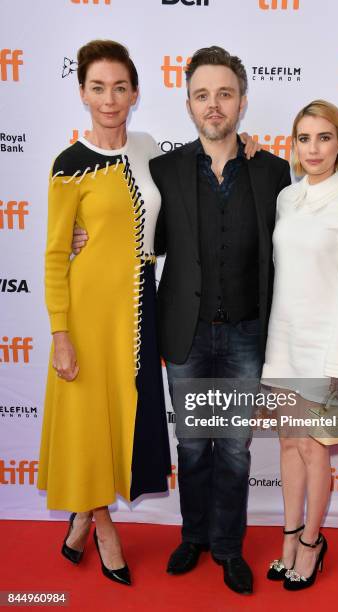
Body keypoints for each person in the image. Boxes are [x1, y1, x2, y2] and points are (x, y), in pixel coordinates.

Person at [70, 45, 267, 594]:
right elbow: (137, 229)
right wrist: (82, 236)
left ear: (241, 103)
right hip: (184, 330)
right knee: (192, 445)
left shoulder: (270, 171)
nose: (214, 105)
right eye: (202, 95)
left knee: (234, 446)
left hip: (248, 333)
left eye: (224, 94)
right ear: (187, 104)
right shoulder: (165, 165)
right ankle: (194, 538)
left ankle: (228, 548)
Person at [37, 40, 172, 586]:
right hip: (89, 312)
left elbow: (165, 225)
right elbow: (53, 254)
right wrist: (60, 332)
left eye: (120, 87)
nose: (110, 99)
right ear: (82, 94)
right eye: (98, 88)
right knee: (88, 421)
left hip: (138, 306)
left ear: (135, 93)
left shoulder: (148, 148)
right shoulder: (69, 164)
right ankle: (103, 524)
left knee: (125, 417)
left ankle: (78, 522)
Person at [261, 100, 338, 590]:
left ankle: (310, 542)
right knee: (288, 443)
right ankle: (288, 536)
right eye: (304, 138)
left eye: (324, 137)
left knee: (313, 447)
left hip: (324, 345)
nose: (313, 148)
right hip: (283, 339)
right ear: (294, 145)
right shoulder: (288, 199)